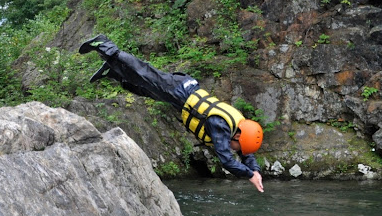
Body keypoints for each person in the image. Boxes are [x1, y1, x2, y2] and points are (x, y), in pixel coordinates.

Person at [79, 34, 264, 192]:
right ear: (238, 135)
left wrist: (255, 170)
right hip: (179, 91)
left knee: (145, 88)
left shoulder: (239, 127)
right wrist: (249, 175)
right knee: (146, 73)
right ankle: (106, 46)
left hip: (183, 93)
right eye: (236, 147)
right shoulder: (220, 125)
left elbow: (246, 151)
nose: (235, 150)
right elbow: (226, 160)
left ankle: (113, 72)